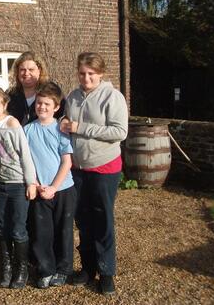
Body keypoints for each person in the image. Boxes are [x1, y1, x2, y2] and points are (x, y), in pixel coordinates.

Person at [60, 52, 128, 296]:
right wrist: (64, 122)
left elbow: (120, 131)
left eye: (91, 73)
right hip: (78, 168)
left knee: (103, 219)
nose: (86, 77)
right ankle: (88, 267)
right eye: (82, 73)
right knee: (83, 219)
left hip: (104, 167)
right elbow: (68, 121)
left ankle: (106, 271)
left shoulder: (113, 97)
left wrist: (81, 128)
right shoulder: (74, 96)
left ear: (100, 74)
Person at [0, 87, 37, 289]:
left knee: (18, 229)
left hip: (17, 182)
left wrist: (30, 182)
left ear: (4, 105)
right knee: (3, 228)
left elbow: (24, 154)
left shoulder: (12, 124)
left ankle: (21, 268)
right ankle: (6, 267)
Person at [24, 82, 75, 289]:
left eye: (46, 104)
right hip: (39, 190)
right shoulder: (27, 130)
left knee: (63, 231)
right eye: (38, 103)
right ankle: (46, 269)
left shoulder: (61, 129)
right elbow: (26, 161)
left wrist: (53, 187)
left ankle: (63, 269)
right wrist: (35, 183)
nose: (41, 107)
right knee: (41, 232)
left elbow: (67, 161)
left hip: (63, 189)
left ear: (56, 107)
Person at [7, 51, 64, 126]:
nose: (26, 73)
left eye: (31, 70)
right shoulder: (11, 95)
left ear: (39, 70)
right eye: (22, 70)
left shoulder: (52, 91)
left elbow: (63, 114)